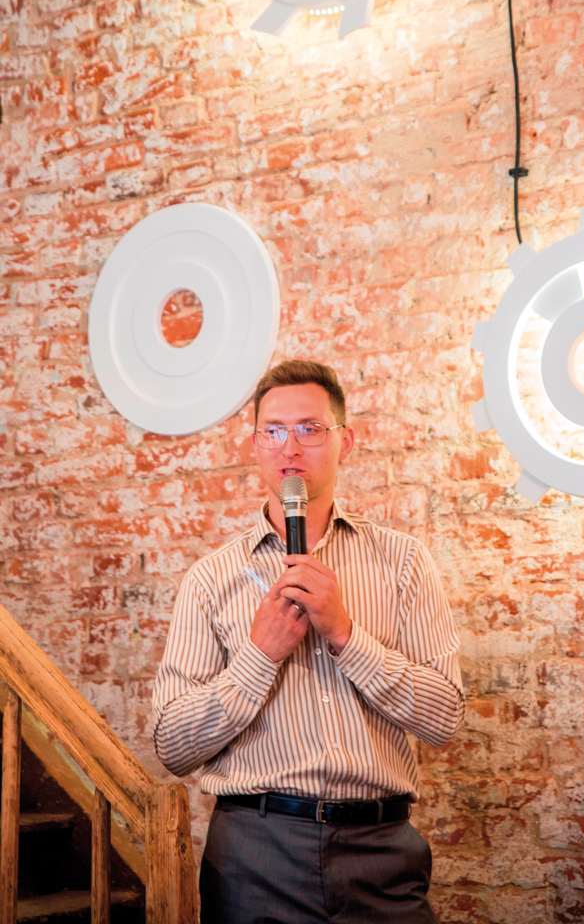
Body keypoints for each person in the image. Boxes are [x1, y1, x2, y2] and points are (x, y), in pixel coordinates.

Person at [153, 359, 464, 923]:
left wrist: (345, 633)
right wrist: (259, 657)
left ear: (346, 441)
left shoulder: (403, 562)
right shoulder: (211, 578)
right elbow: (173, 746)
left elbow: (443, 717)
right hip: (256, 850)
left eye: (309, 428)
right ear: (254, 444)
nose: (289, 446)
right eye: (273, 430)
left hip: (381, 850)